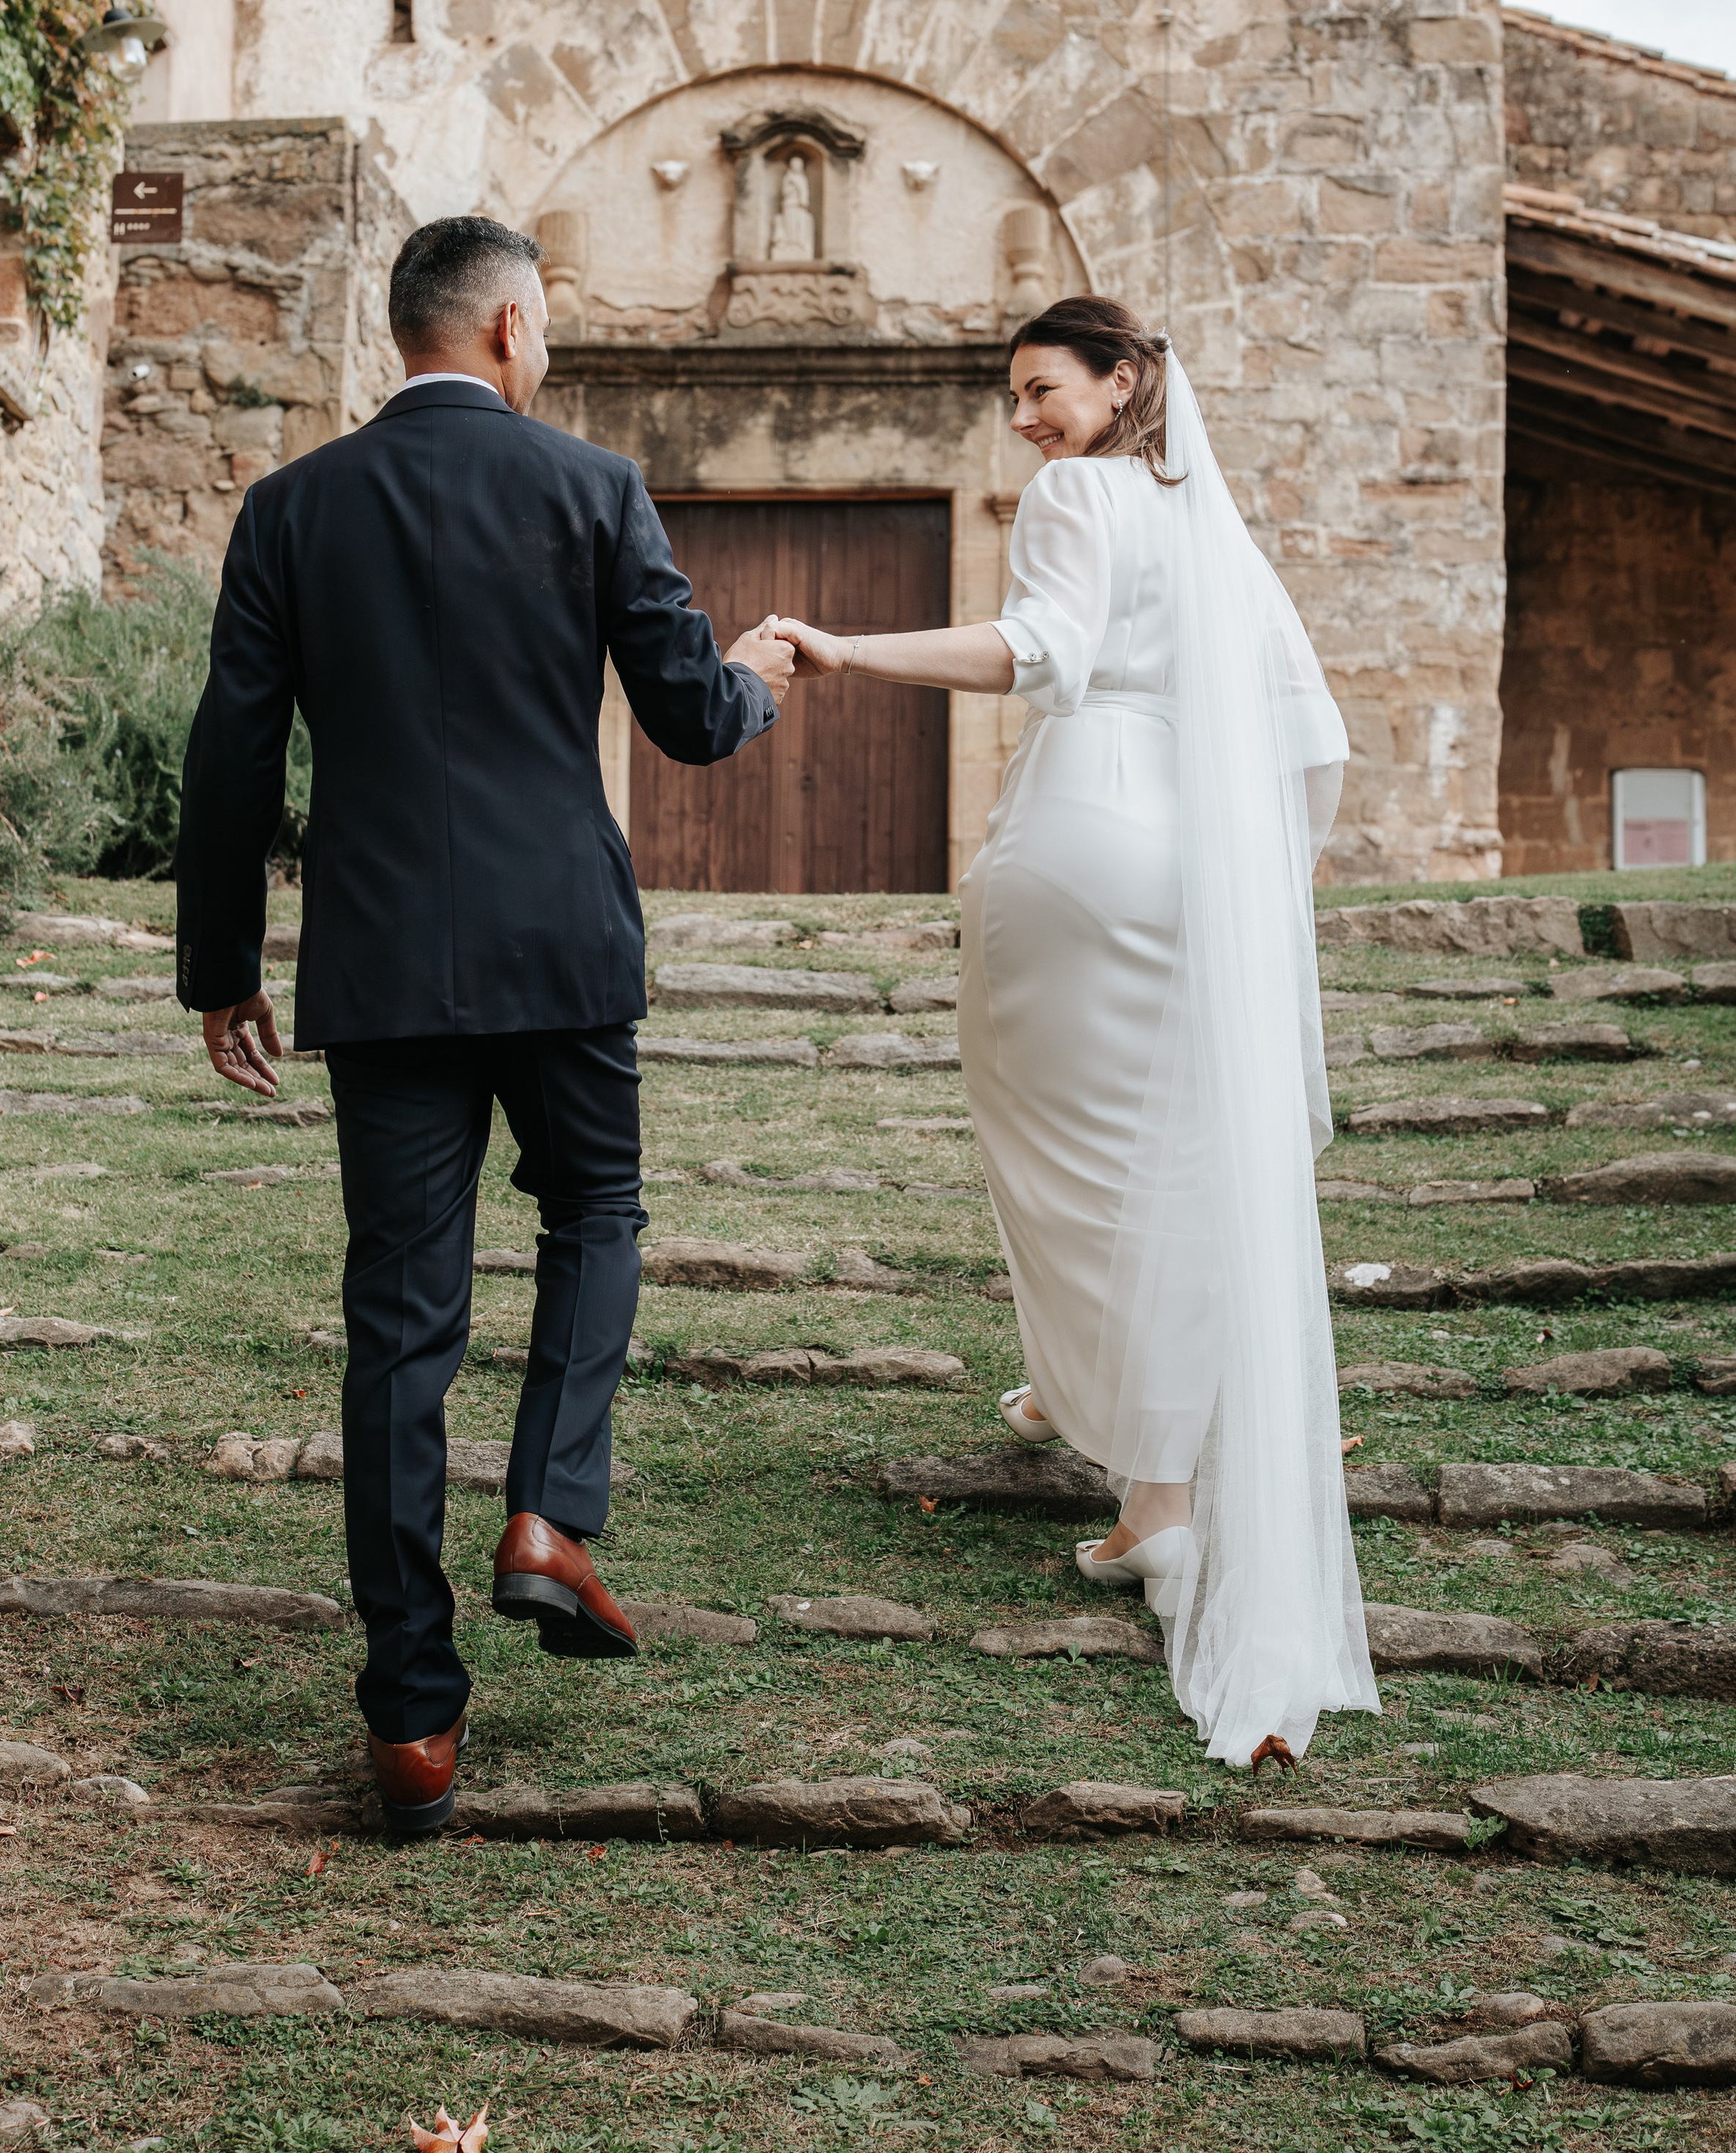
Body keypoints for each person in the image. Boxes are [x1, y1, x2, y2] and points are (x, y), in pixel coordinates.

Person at [173, 215, 795, 1835]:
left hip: (377, 968)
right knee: (594, 1209)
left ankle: (410, 1717)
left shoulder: (290, 509)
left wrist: (219, 964)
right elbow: (684, 715)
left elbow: (234, 755)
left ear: (408, 335)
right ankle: (546, 1517)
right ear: (512, 328)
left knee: (398, 1315)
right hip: (563, 951)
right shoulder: (589, 489)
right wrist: (755, 678)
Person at [772, 297, 1377, 1770]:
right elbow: (1317, 740)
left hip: (1078, 837)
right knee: (1166, 1146)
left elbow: (1032, 652)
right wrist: (1267, 891)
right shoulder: (1213, 532)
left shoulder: (1075, 494)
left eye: (1042, 387)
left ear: (1121, 383)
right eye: (1015, 396)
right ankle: (1144, 1484)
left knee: (1042, 1128)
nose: (1024, 418)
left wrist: (844, 648)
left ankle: (1114, 1440)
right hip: (1198, 867)